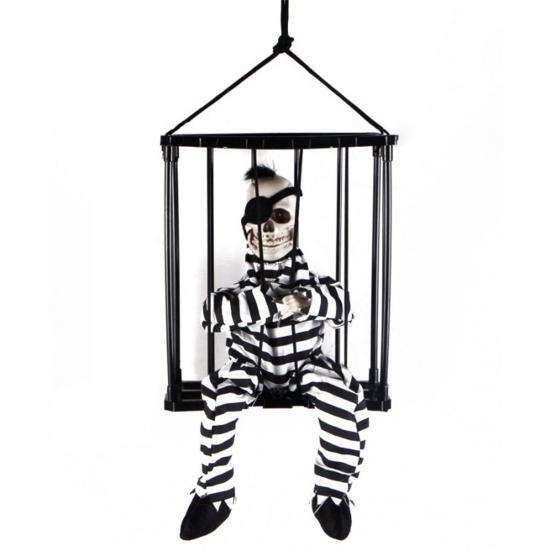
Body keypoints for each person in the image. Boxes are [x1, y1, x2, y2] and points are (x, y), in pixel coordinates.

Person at [179, 165, 369, 540]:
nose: (268, 227)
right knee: (220, 396)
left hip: (305, 368)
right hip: (249, 368)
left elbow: (343, 306)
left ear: (296, 224)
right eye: (258, 215)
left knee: (342, 397)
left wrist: (305, 301)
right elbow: (212, 313)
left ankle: (332, 491)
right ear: (246, 227)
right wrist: (271, 304)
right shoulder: (237, 294)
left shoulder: (317, 285)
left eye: (280, 216)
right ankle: (215, 491)